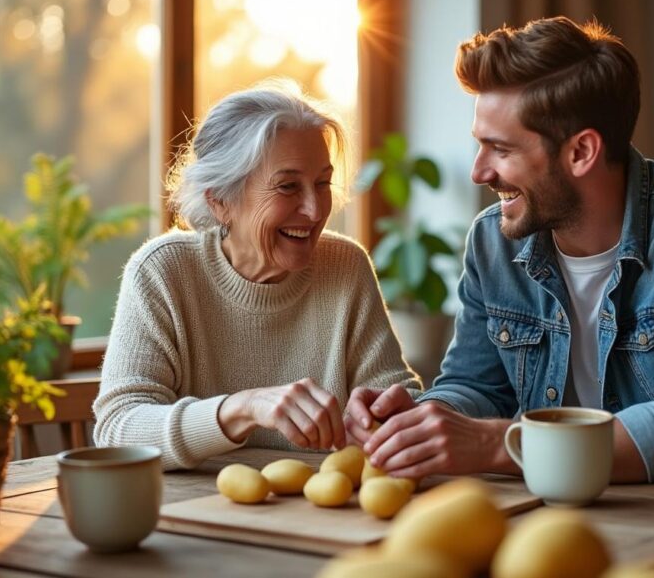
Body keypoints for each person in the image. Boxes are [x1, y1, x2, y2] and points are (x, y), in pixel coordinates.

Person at [345, 17, 654, 492]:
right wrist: (422, 421)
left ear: (581, 151)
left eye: (499, 149)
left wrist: (498, 444)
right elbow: (476, 387)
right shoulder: (494, 241)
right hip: (565, 517)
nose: (479, 172)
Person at [94, 80, 420, 470]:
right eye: (287, 186)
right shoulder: (163, 272)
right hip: (190, 514)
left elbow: (399, 399)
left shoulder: (345, 266)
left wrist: (385, 418)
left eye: (322, 183)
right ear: (220, 201)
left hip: (325, 515)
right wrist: (242, 409)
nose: (315, 211)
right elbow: (118, 428)